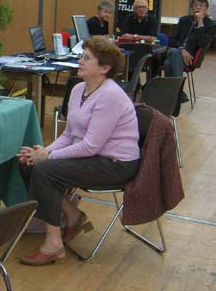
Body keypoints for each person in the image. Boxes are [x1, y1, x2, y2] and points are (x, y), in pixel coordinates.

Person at [17, 36, 140, 266]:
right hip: (93, 156)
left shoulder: (111, 96)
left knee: (44, 170)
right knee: (28, 163)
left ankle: (53, 244)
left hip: (115, 164)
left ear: (104, 68)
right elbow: (69, 135)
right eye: (82, 56)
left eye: (87, 58)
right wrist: (42, 151)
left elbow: (91, 145)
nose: (80, 61)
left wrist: (48, 157)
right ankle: (71, 215)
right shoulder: (78, 89)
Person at [164, 0, 214, 81]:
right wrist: (182, 50)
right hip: (176, 50)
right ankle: (178, 86)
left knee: (167, 63)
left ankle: (173, 88)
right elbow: (172, 38)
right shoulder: (184, 20)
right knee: (174, 52)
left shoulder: (211, 25)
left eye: (201, 6)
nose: (198, 7)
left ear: (206, 9)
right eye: (195, 5)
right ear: (192, 9)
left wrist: (200, 23)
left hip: (190, 58)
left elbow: (203, 43)